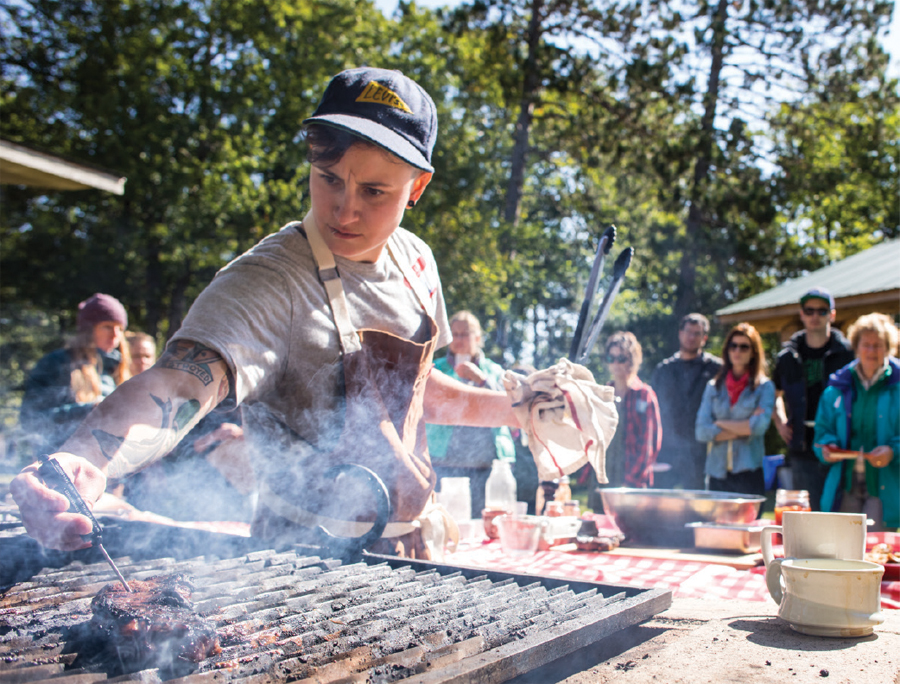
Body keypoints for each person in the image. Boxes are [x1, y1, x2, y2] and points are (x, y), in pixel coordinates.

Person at [11, 67, 520, 559]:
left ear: (417, 187)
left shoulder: (417, 261)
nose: (344, 210)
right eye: (329, 178)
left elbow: (415, 393)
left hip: (412, 542)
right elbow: (179, 384)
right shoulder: (270, 278)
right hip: (301, 557)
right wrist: (85, 458)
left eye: (373, 191)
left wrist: (519, 408)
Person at [425, 311, 516, 517]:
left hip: (488, 464)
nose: (458, 340)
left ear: (478, 338)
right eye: (454, 334)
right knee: (446, 518)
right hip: (444, 461)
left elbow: (510, 407)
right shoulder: (435, 369)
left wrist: (482, 380)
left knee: (487, 519)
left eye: (465, 334)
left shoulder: (494, 371)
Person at [813, 313, 899, 530]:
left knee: (876, 551)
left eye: (878, 345)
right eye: (866, 344)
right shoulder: (837, 387)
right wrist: (827, 447)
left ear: (888, 348)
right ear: (856, 347)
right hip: (845, 482)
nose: (871, 351)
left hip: (884, 485)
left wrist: (893, 451)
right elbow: (821, 431)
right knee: (840, 549)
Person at [772, 287, 854, 510]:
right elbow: (775, 394)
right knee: (807, 515)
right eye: (809, 311)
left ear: (832, 315)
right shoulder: (787, 356)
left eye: (822, 311)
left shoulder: (849, 354)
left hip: (839, 446)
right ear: (801, 315)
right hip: (802, 445)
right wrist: (780, 422)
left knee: (840, 515)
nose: (815, 316)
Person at [19, 293, 132, 455]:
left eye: (120, 328)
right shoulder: (58, 363)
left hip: (104, 467)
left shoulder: (117, 369)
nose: (115, 335)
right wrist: (89, 410)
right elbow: (30, 420)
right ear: (88, 330)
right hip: (60, 463)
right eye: (107, 326)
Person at [695, 322, 774, 496]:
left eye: (744, 347)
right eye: (733, 346)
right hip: (717, 473)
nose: (737, 351)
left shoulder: (764, 387)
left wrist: (719, 423)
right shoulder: (713, 386)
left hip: (749, 472)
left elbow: (759, 427)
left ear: (753, 352)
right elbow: (701, 431)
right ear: (727, 350)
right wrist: (744, 428)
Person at [588, 331, 661, 512]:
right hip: (603, 478)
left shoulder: (645, 394)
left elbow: (649, 446)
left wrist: (631, 482)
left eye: (621, 358)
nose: (616, 364)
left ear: (633, 360)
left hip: (632, 481)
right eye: (611, 358)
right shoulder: (602, 394)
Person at [650, 313, 723, 490]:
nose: (692, 337)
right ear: (680, 333)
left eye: (697, 333)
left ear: (704, 338)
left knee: (696, 502)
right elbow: (652, 410)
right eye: (688, 332)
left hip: (700, 450)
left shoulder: (716, 368)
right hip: (667, 449)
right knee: (662, 503)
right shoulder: (664, 369)